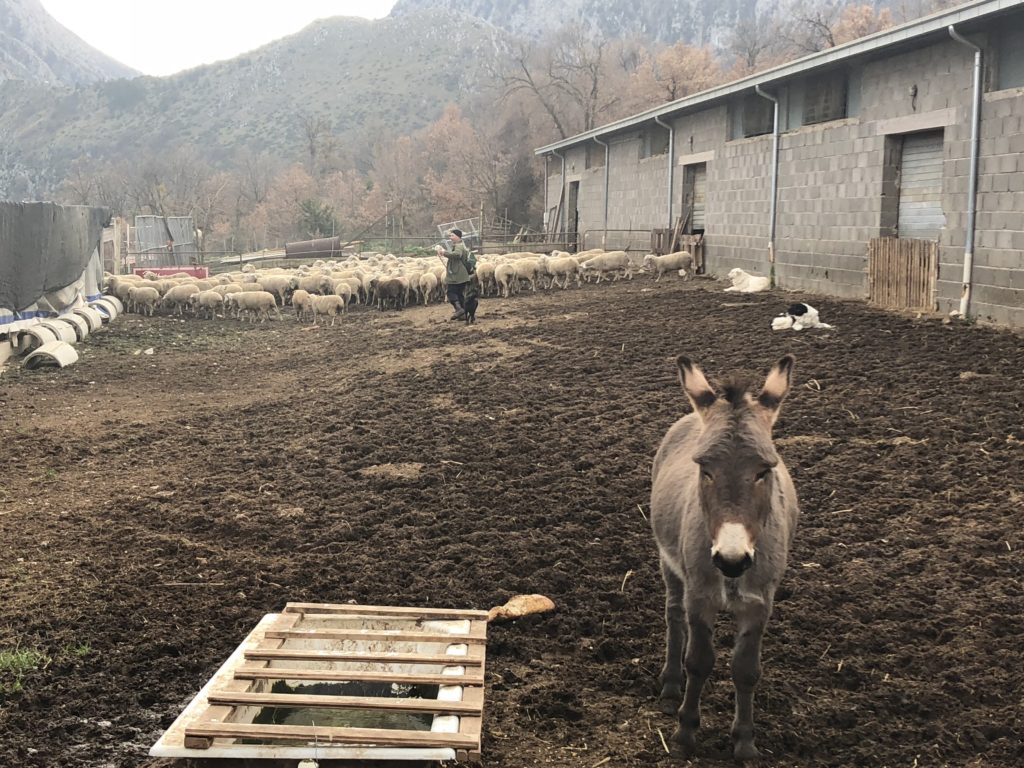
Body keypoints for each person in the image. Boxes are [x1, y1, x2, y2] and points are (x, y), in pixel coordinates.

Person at [436, 228, 472, 321]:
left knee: (450, 292)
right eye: (450, 236)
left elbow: (457, 255)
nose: (450, 237)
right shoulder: (459, 245)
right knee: (459, 294)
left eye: (452, 235)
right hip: (461, 274)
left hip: (458, 274)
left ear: (457, 236)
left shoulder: (459, 246)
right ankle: (463, 314)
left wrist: (444, 253)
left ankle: (459, 309)